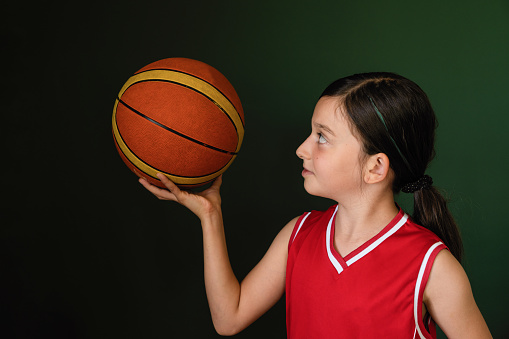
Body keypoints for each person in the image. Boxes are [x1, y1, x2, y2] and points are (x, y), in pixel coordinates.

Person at [139, 72, 491, 338]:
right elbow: (228, 318)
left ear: (375, 167)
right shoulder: (298, 234)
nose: (302, 148)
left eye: (322, 137)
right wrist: (210, 215)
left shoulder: (432, 267)